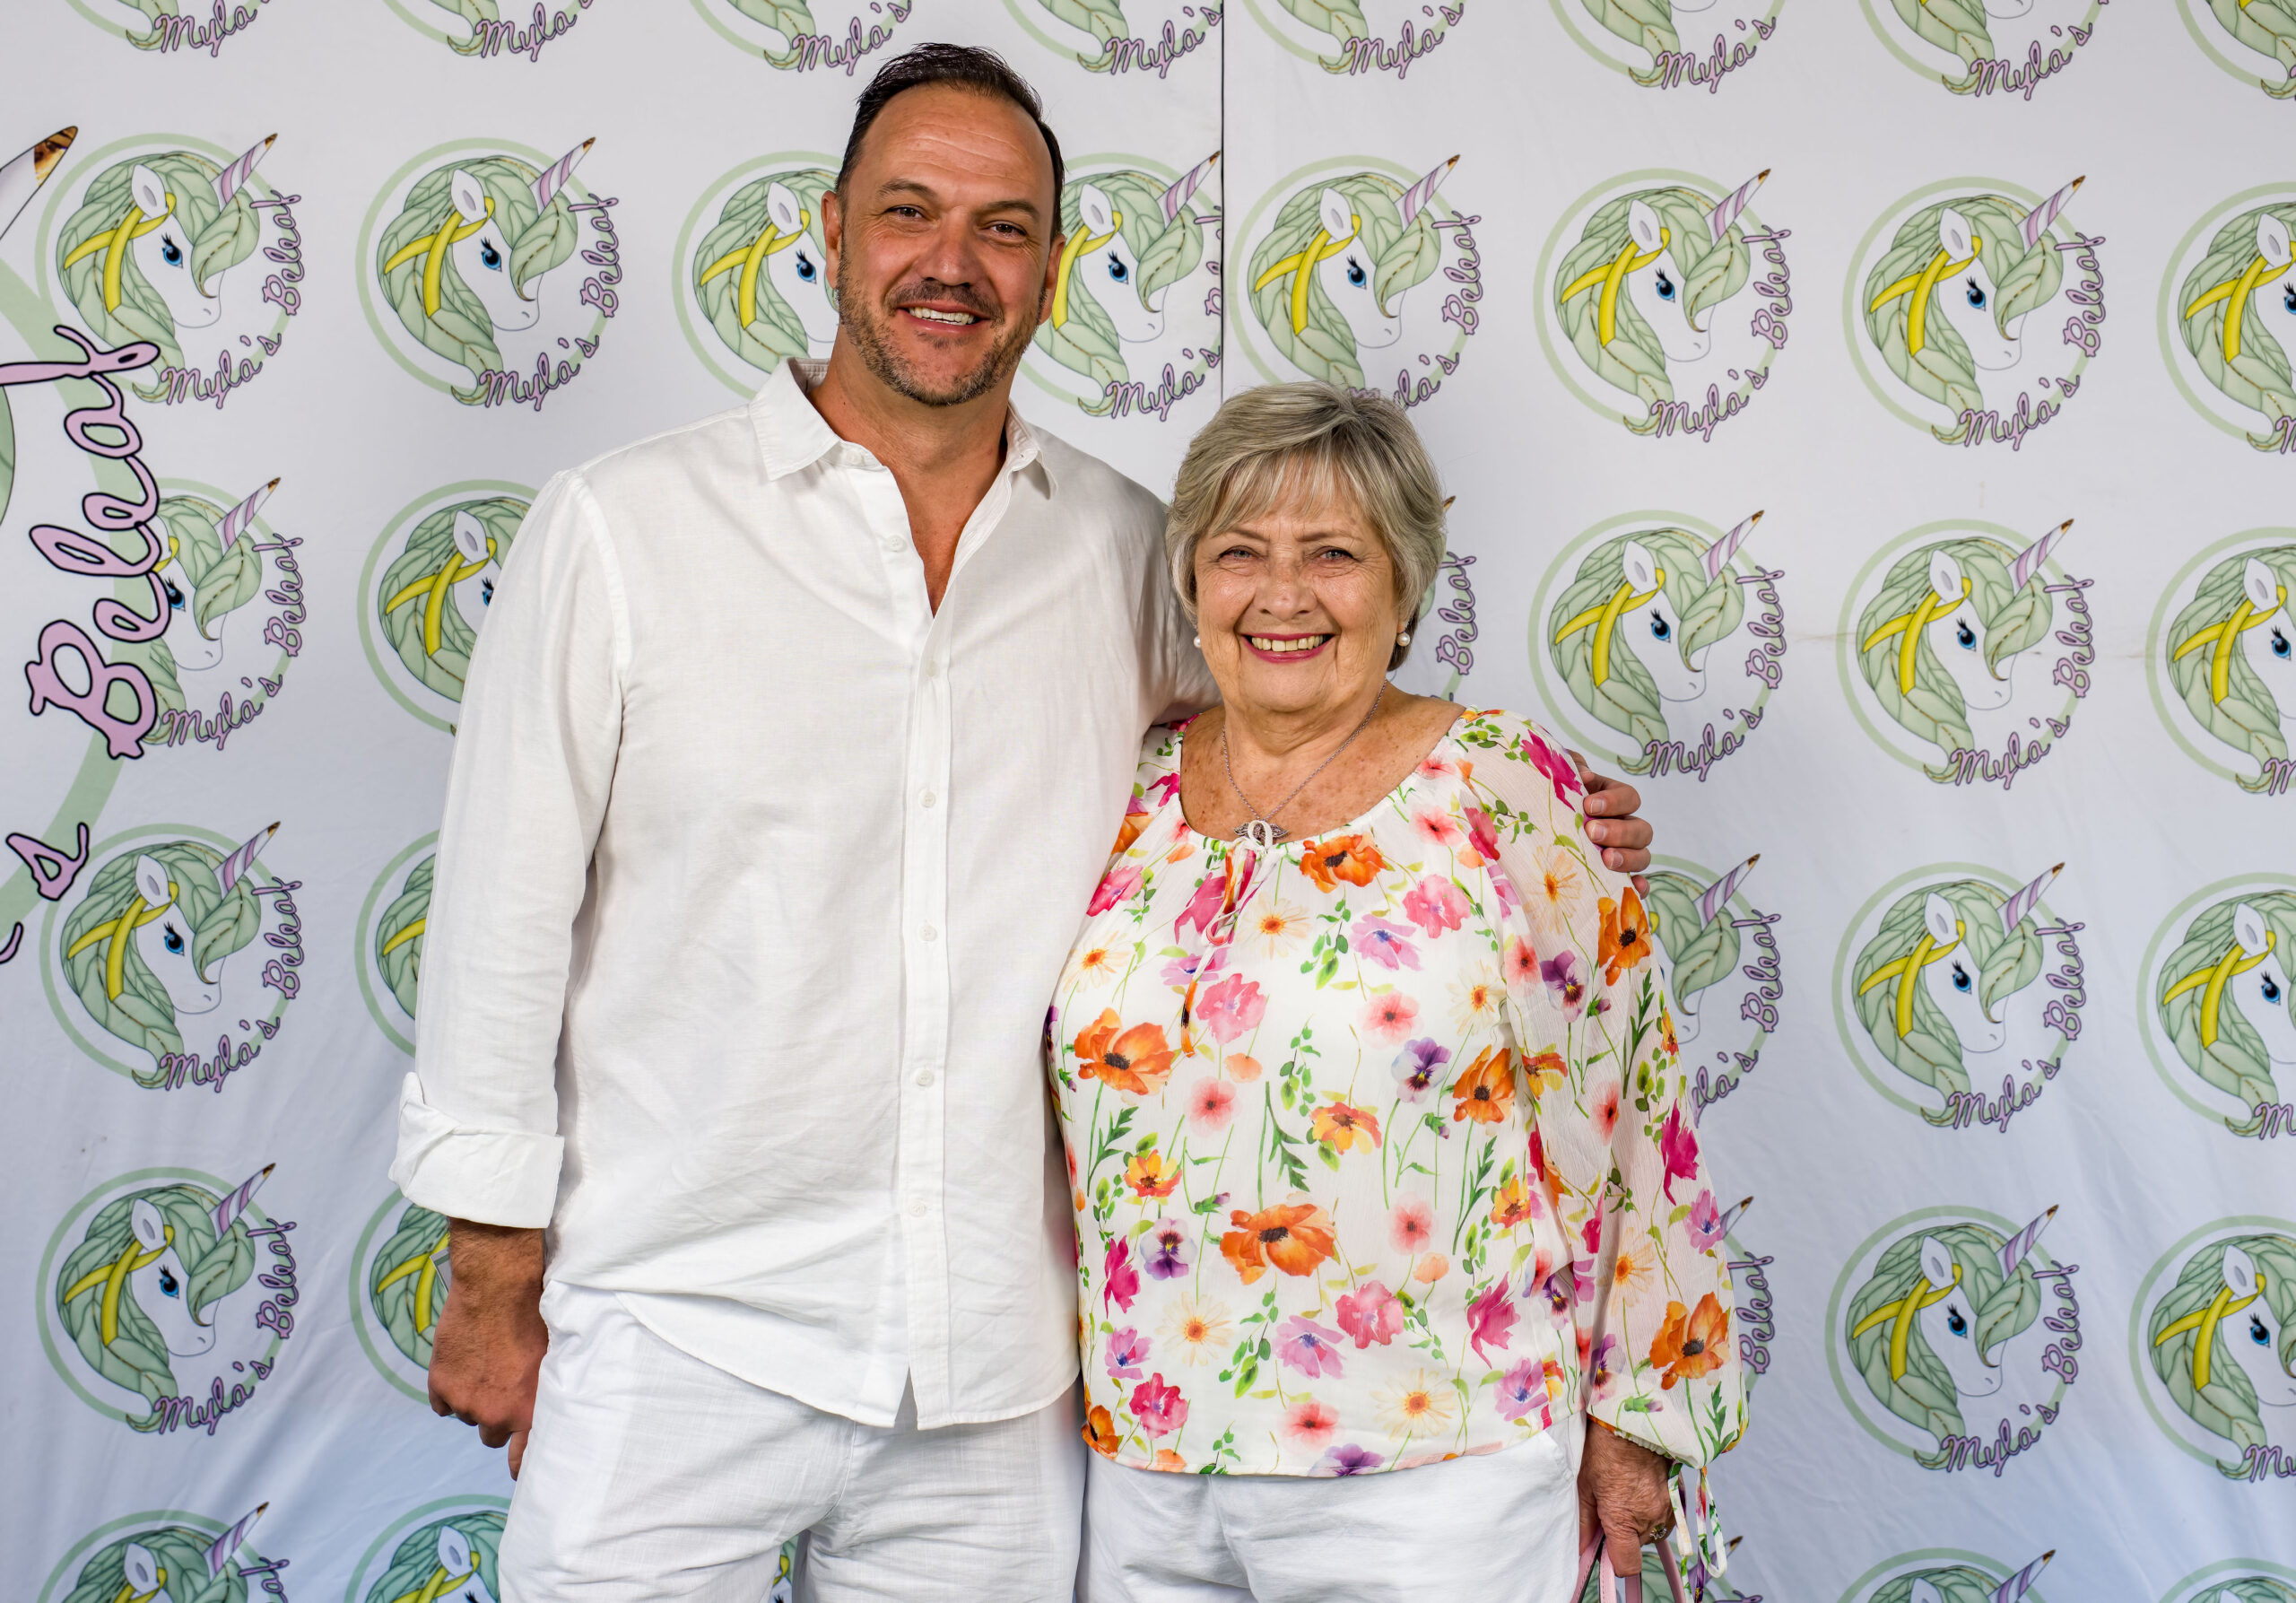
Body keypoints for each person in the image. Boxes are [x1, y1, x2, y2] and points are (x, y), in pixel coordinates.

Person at [390, 43, 1657, 1603]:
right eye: (908, 212)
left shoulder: (1124, 545)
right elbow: (500, 923)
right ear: (830, 230)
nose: (953, 262)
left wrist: (1528, 809)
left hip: (996, 1380)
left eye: (1003, 228)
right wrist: (489, 1275)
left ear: (1053, 272)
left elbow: (1301, 718)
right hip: (677, 1325)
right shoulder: (620, 531)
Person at [1048, 382, 1743, 1602]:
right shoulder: (1121, 788)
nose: (1283, 594)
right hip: (1148, 1462)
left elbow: (1638, 1106)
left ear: (1406, 586)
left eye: (1333, 554)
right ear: (1191, 582)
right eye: (1240, 552)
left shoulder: (1504, 788)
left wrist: (1641, 1416)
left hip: (1443, 1478)